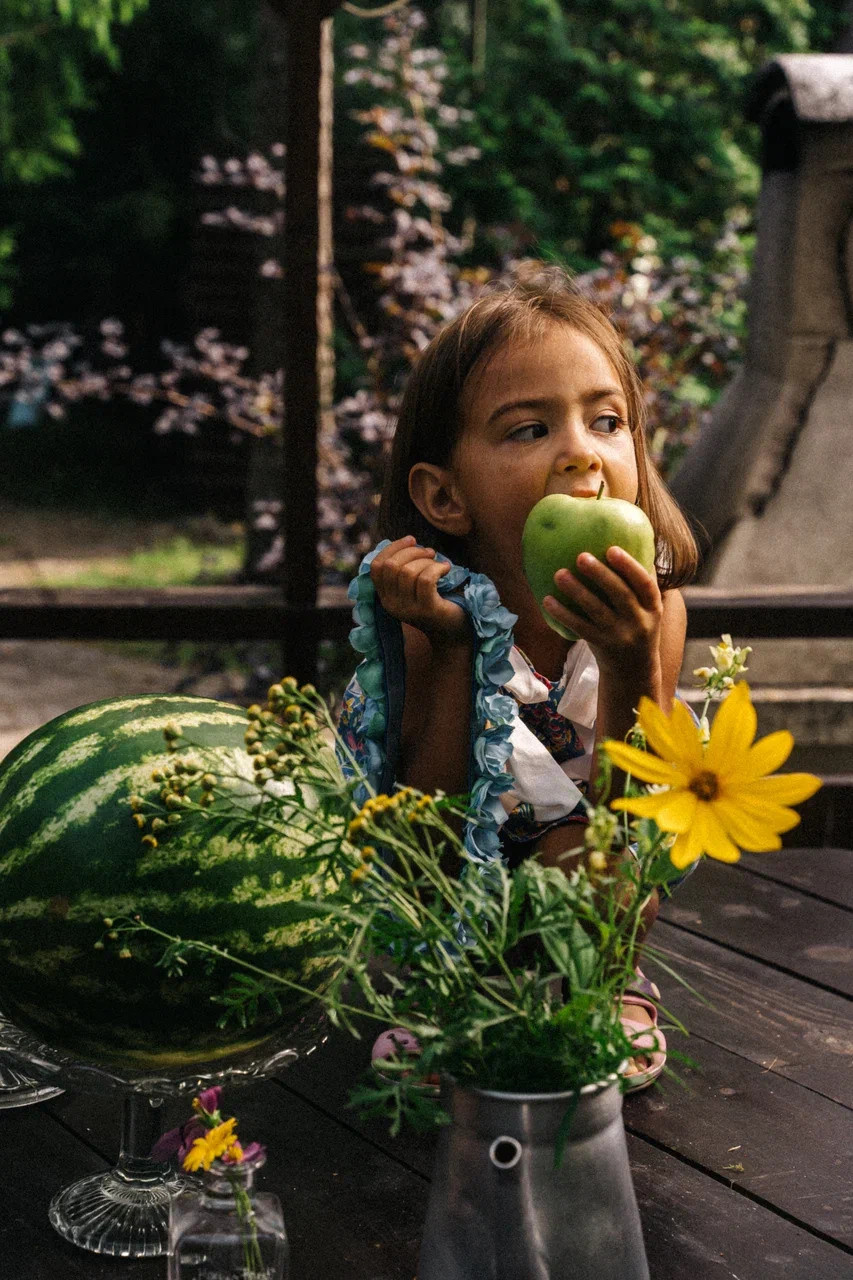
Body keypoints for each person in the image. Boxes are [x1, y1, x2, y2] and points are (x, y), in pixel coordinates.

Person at [339, 265, 699, 1088]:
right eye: (528, 430)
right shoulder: (426, 612)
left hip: (594, 893)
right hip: (458, 907)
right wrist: (457, 649)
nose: (580, 452)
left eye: (606, 421)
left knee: (596, 833)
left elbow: (632, 818)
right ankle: (453, 998)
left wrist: (628, 662)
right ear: (443, 496)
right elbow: (426, 840)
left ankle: (606, 985)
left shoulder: (659, 612)